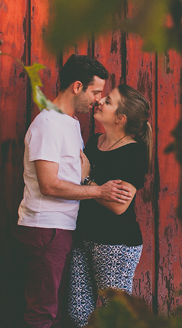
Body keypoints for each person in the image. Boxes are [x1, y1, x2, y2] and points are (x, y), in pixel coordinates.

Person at [16, 55, 134, 328]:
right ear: (77, 86)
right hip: (45, 230)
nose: (97, 99)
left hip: (61, 231)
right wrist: (100, 192)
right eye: (95, 92)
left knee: (54, 313)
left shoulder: (70, 123)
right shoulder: (48, 124)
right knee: (42, 314)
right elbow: (49, 184)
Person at [68, 84, 152, 328]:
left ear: (120, 118)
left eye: (109, 100)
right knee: (78, 313)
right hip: (83, 237)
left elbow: (119, 207)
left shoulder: (133, 153)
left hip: (116, 244)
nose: (100, 101)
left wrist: (87, 179)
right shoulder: (95, 142)